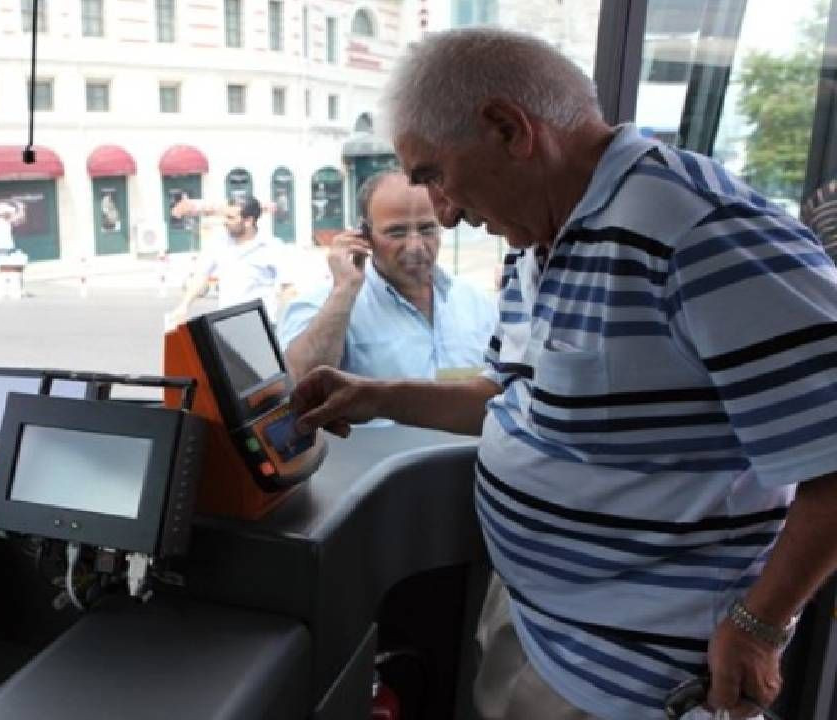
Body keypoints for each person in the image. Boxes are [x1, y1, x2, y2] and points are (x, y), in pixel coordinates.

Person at [291, 28, 837, 720]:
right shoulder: (539, 237)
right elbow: (513, 396)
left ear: (508, 129)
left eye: (432, 174)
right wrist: (376, 396)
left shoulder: (704, 231)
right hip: (537, 627)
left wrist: (759, 626)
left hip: (638, 682)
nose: (446, 212)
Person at [277, 169, 496, 381]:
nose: (416, 246)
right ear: (364, 236)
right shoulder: (323, 305)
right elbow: (301, 384)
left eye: (427, 229)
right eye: (397, 232)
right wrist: (344, 292)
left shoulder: (475, 303)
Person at [167, 196, 292, 325]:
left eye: (230, 218)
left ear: (248, 221)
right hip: (226, 324)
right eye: (225, 216)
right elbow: (201, 275)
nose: (225, 222)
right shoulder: (218, 242)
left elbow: (288, 287)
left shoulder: (272, 246)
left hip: (261, 325)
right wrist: (184, 305)